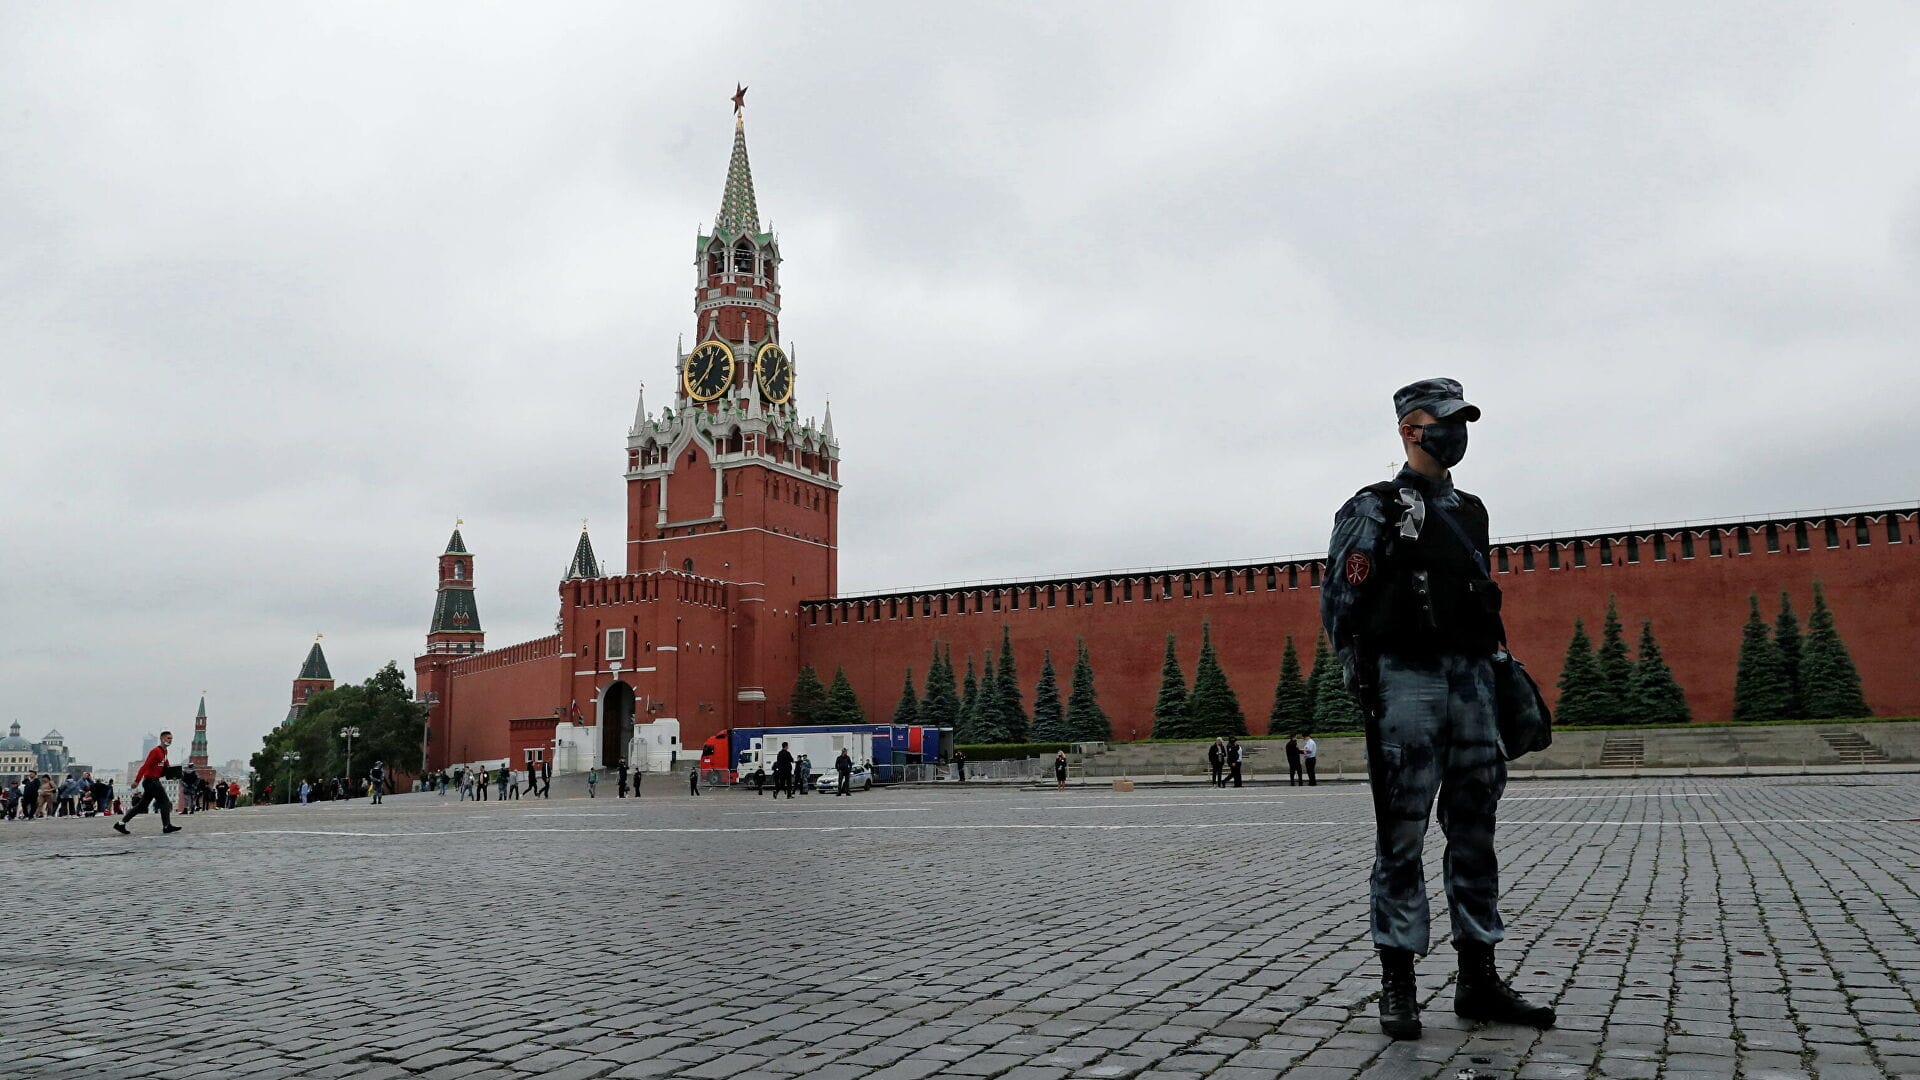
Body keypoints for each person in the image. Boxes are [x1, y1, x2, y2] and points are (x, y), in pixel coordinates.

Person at [1321, 378, 1553, 1041]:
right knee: (1401, 839)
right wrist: (1361, 677)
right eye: (1442, 420)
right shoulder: (1374, 507)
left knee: (1475, 834)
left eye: (1461, 419)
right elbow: (1342, 601)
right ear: (1408, 430)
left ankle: (1478, 977)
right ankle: (1399, 982)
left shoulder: (1472, 510)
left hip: (1473, 682)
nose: (1456, 431)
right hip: (1406, 685)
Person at [114, 730, 181, 835]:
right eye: (168, 738)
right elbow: (145, 766)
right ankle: (166, 826)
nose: (170, 740)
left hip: (153, 781)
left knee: (142, 806)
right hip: (151, 781)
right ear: (162, 739)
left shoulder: (164, 752)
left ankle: (121, 823)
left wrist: (173, 775)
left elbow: (166, 766)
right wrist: (136, 781)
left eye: (171, 738)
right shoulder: (155, 751)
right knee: (165, 802)